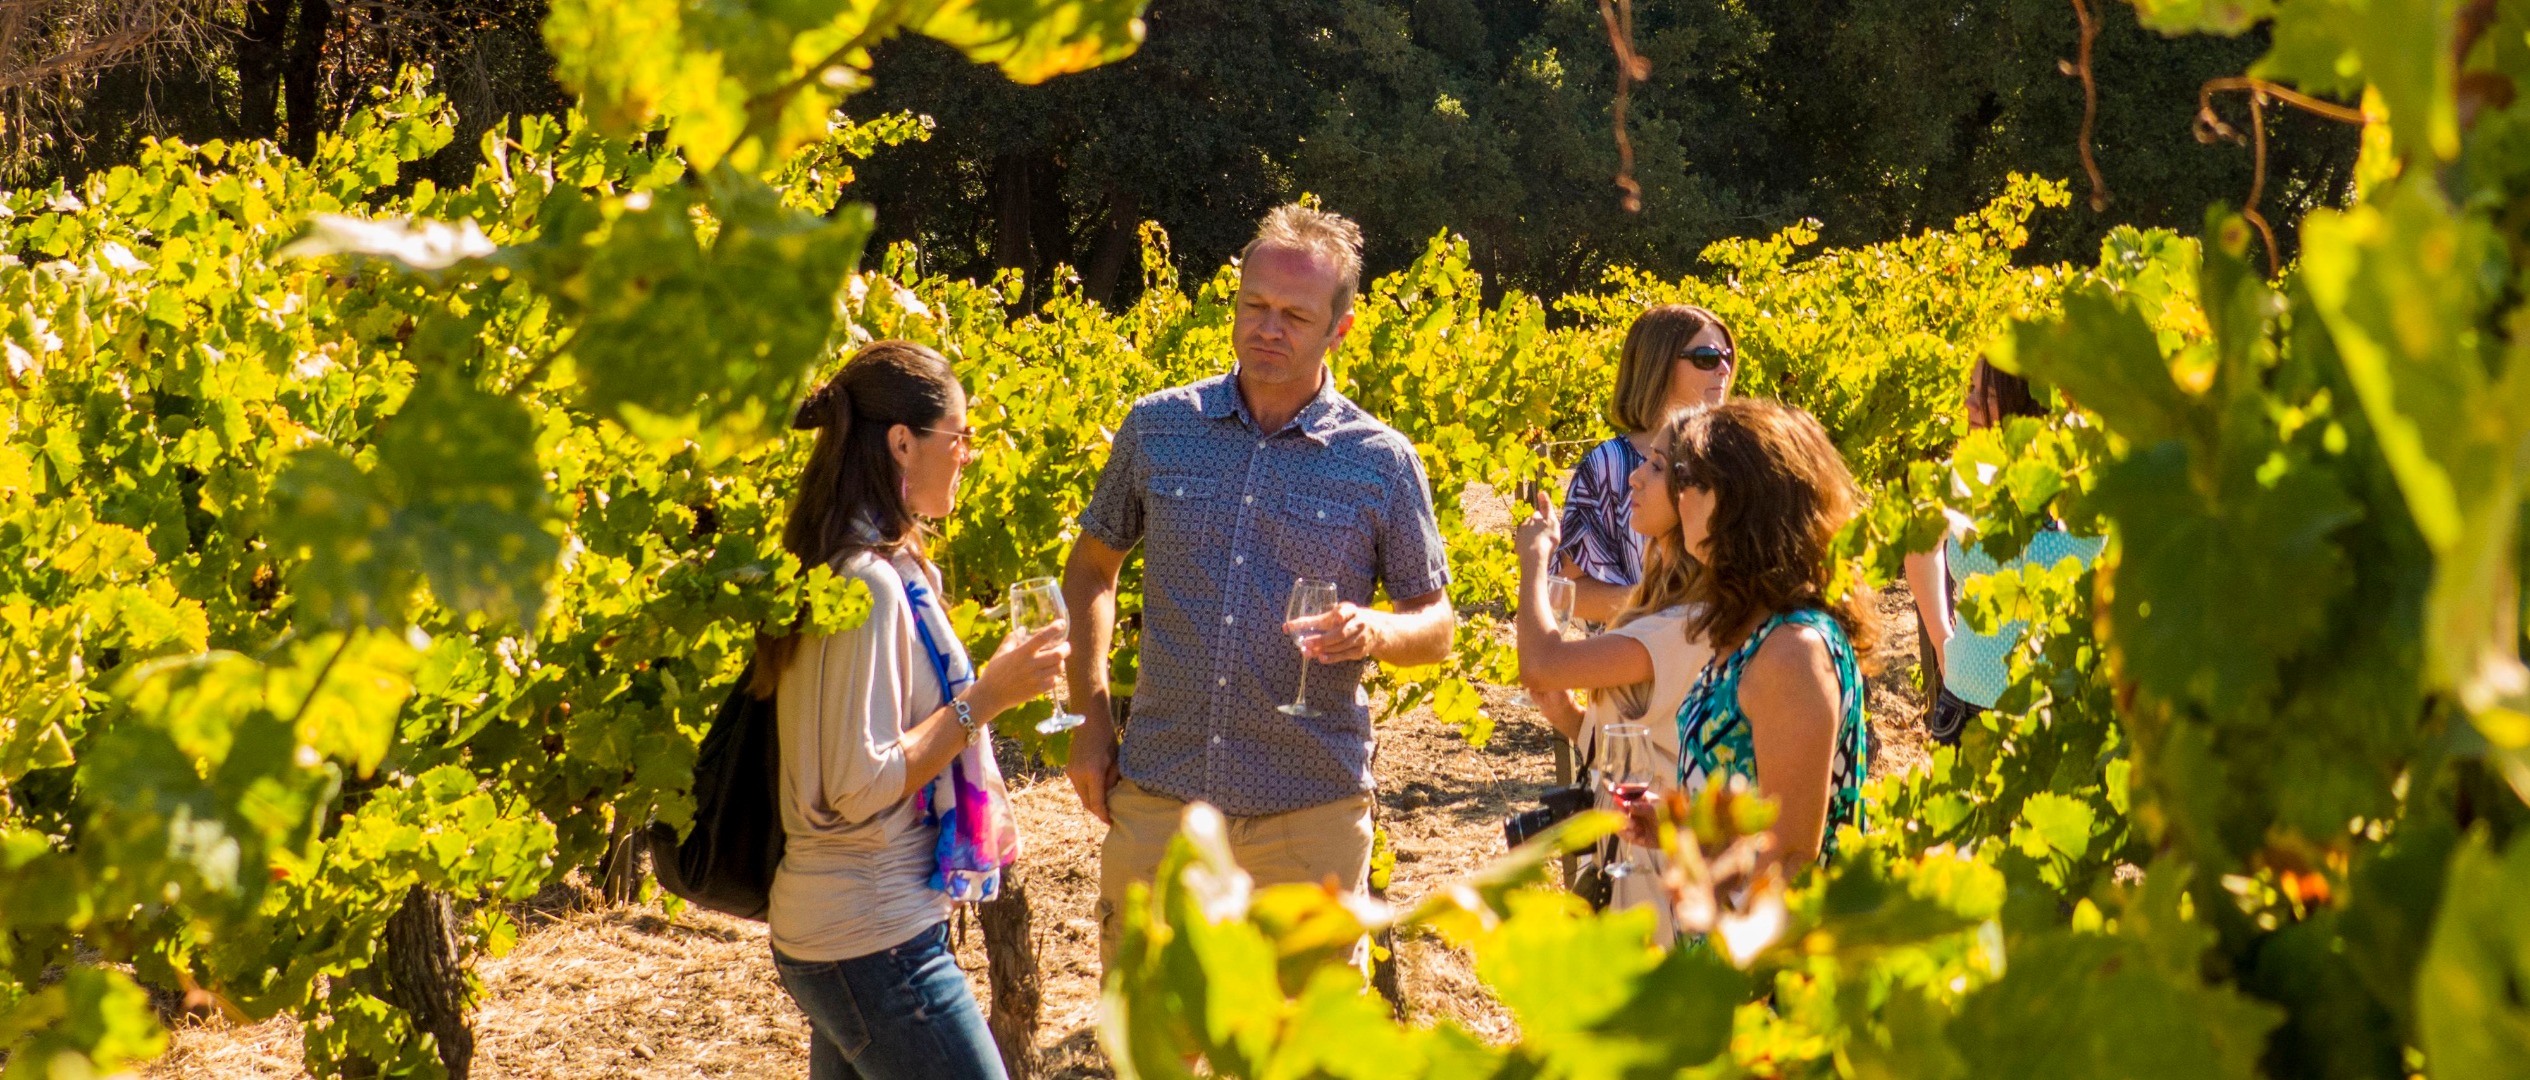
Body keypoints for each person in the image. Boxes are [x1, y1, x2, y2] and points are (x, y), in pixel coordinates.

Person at [1062, 204, 1457, 966]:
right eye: (1255, 307)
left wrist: (1377, 631)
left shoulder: (1381, 461)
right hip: (1160, 808)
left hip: (1307, 823)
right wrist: (1090, 718)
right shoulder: (1157, 427)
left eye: (1294, 316)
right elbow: (1090, 570)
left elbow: (1435, 622)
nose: (1267, 329)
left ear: (1339, 328)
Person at [757, 340, 1069, 1080]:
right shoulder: (865, 585)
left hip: (850, 931)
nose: (967, 454)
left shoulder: (856, 566)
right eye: (957, 437)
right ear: (902, 442)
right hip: (872, 938)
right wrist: (986, 697)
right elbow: (858, 784)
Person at [1513, 406, 1713, 943]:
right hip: (1635, 871)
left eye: (1657, 467)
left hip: (1660, 891)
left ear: (1698, 495)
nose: (1634, 477)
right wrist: (1570, 716)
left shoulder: (1682, 624)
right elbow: (1639, 747)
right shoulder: (1665, 606)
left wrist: (1536, 560)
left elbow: (1540, 664)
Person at [1665, 399, 1878, 870]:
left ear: (1741, 500)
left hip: (1762, 941)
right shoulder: (1755, 629)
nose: (1675, 494)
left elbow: (1789, 860)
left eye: (1686, 478)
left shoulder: (1792, 653)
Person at [1904, 361, 2105, 745]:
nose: (1969, 403)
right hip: (1965, 712)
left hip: (2058, 718)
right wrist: (1944, 644)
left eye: (1988, 395)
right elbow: (1918, 546)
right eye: (1971, 388)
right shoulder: (1966, 473)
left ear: (2034, 404)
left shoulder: (2088, 479)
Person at [1557, 305, 1737, 624]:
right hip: (1628, 665)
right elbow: (1570, 590)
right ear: (1660, 365)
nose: (1723, 369)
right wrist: (1677, 606)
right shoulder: (1608, 467)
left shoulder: (1739, 458)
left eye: (1727, 356)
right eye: (1707, 358)